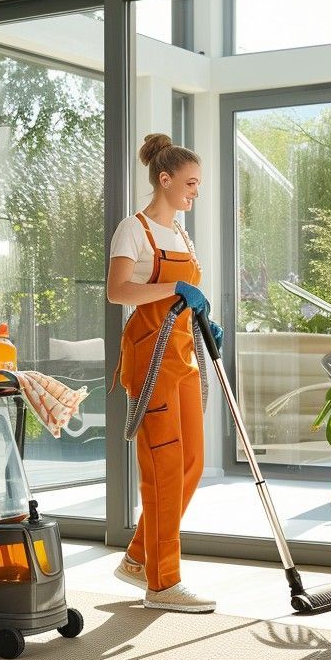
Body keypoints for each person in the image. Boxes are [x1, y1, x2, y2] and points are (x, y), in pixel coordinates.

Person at [107, 133, 223, 613]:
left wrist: (202, 317)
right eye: (190, 183)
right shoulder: (133, 231)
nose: (195, 192)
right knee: (163, 468)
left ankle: (138, 556)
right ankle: (163, 582)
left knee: (192, 462)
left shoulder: (182, 235)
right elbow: (118, 292)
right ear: (165, 179)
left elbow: (182, 296)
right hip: (150, 357)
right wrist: (173, 285)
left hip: (184, 355)